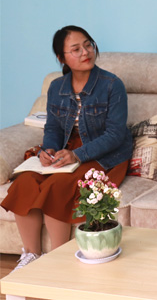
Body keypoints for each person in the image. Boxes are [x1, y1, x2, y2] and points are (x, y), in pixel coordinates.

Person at [1, 25, 133, 271]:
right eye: (76, 49)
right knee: (24, 182)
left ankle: (57, 260)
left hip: (104, 153)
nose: (86, 52)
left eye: (88, 45)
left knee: (57, 185)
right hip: (67, 149)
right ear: (62, 58)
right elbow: (53, 128)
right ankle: (31, 255)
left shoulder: (112, 85)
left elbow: (115, 135)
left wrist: (77, 155)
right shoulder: (56, 87)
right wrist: (49, 150)